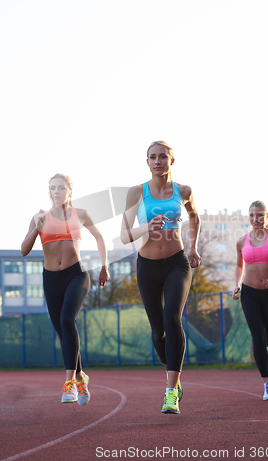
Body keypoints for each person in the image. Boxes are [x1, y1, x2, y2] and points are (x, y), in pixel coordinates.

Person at [121, 141, 201, 414]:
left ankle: (170, 391)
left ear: (172, 161)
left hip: (177, 263)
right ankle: (173, 376)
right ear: (147, 162)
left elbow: (195, 217)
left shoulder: (184, 191)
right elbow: (124, 235)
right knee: (158, 332)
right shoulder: (136, 193)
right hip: (147, 265)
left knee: (172, 318)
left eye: (163, 157)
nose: (157, 161)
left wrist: (193, 247)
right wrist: (146, 226)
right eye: (152, 157)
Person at [21, 173, 110, 405]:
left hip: (76, 275)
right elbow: (24, 250)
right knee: (63, 331)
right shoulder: (39, 217)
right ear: (49, 192)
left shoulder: (80, 214)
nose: (56, 192)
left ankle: (69, 383)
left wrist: (103, 267)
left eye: (61, 188)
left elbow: (100, 238)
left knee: (67, 320)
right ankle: (81, 377)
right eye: (52, 188)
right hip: (51, 279)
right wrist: (36, 228)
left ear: (70, 190)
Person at [233, 200, 268, 400]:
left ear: (266, 217)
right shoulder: (241, 241)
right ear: (248, 217)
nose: (255, 219)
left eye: (259, 215)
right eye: (251, 215)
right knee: (258, 338)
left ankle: (264, 336)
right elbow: (239, 266)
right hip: (249, 294)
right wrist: (236, 283)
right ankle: (267, 383)